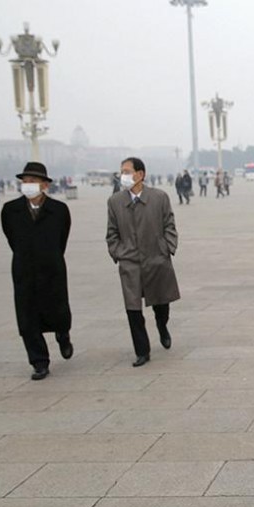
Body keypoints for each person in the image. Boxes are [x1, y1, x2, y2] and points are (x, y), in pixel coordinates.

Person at [0, 162, 73, 380]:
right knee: (27, 316)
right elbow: (11, 238)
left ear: (45, 185)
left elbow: (62, 239)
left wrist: (48, 254)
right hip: (24, 270)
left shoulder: (59, 210)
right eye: (25, 181)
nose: (28, 185)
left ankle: (63, 335)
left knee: (58, 308)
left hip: (52, 268)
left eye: (33, 181)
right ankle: (39, 361)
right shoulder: (10, 211)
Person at [106, 157, 180, 367]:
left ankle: (162, 325)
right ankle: (142, 351)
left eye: (127, 171)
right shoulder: (115, 202)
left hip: (156, 258)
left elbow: (170, 225)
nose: (124, 176)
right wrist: (117, 252)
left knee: (161, 302)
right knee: (133, 308)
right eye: (122, 171)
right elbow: (111, 232)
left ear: (141, 174)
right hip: (129, 261)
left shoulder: (159, 198)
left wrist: (167, 248)